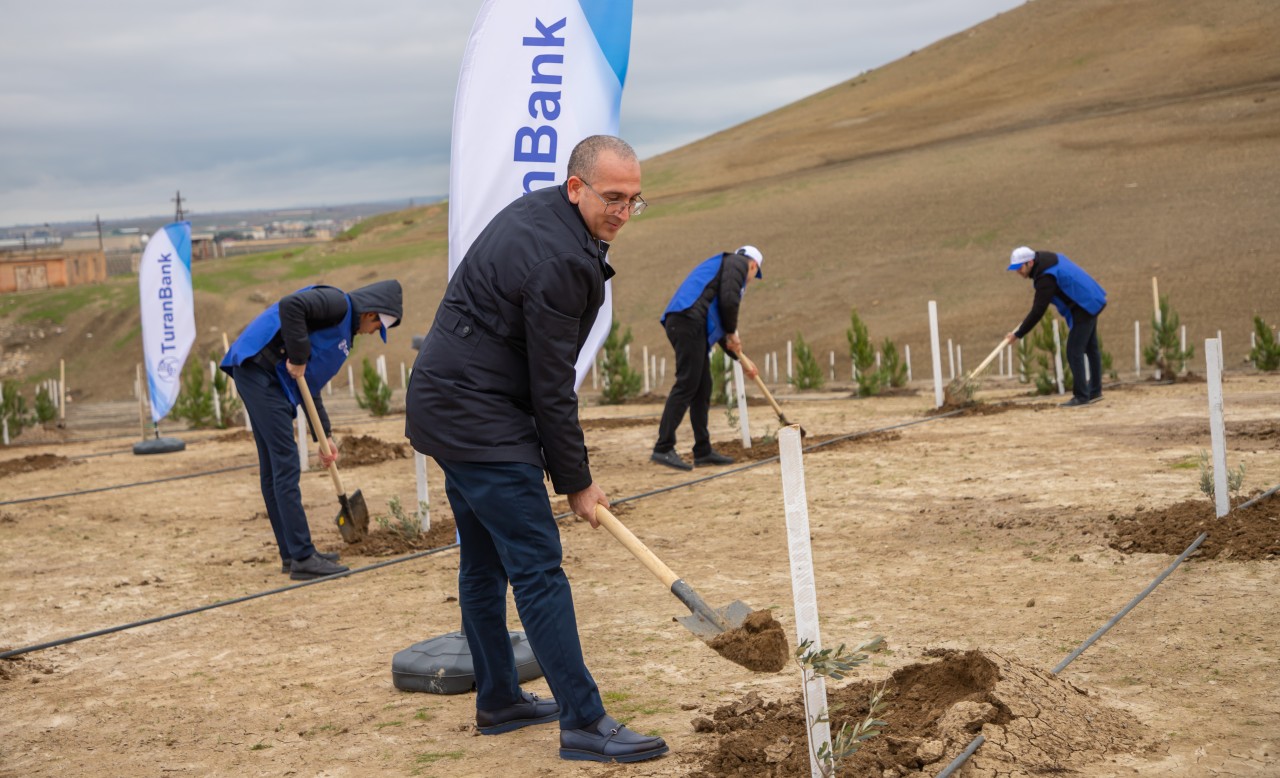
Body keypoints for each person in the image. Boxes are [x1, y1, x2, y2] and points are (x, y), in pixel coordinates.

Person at [404, 135, 668, 764]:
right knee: (538, 568)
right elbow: (553, 386)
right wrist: (576, 481)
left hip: (450, 405)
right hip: (478, 417)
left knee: (484, 561)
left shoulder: (547, 216)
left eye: (635, 200)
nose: (623, 212)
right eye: (612, 198)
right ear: (576, 187)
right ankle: (584, 721)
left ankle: (499, 699)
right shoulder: (559, 260)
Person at [221, 280, 403, 580]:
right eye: (376, 328)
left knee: (274, 468)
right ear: (371, 314)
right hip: (258, 371)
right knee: (285, 464)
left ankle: (292, 555)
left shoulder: (341, 332)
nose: (372, 334)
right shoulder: (337, 304)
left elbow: (309, 384)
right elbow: (291, 305)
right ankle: (303, 557)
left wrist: (325, 436)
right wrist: (298, 356)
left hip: (264, 378)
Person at [650, 245, 763, 471]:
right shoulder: (737, 264)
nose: (750, 280)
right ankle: (663, 447)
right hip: (687, 321)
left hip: (690, 323)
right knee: (687, 384)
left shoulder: (723, 271)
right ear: (752, 265)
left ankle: (702, 450)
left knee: (702, 388)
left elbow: (722, 327)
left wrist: (743, 361)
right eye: (754, 274)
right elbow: (729, 303)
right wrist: (732, 333)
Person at [1003, 246, 1107, 407]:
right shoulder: (1048, 260)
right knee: (1090, 348)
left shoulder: (1045, 277)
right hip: (1091, 297)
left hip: (1083, 305)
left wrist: (1018, 334)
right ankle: (1095, 391)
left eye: (1019, 268)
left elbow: (1038, 311)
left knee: (1074, 350)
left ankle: (1081, 396)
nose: (1018, 272)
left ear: (1030, 263)